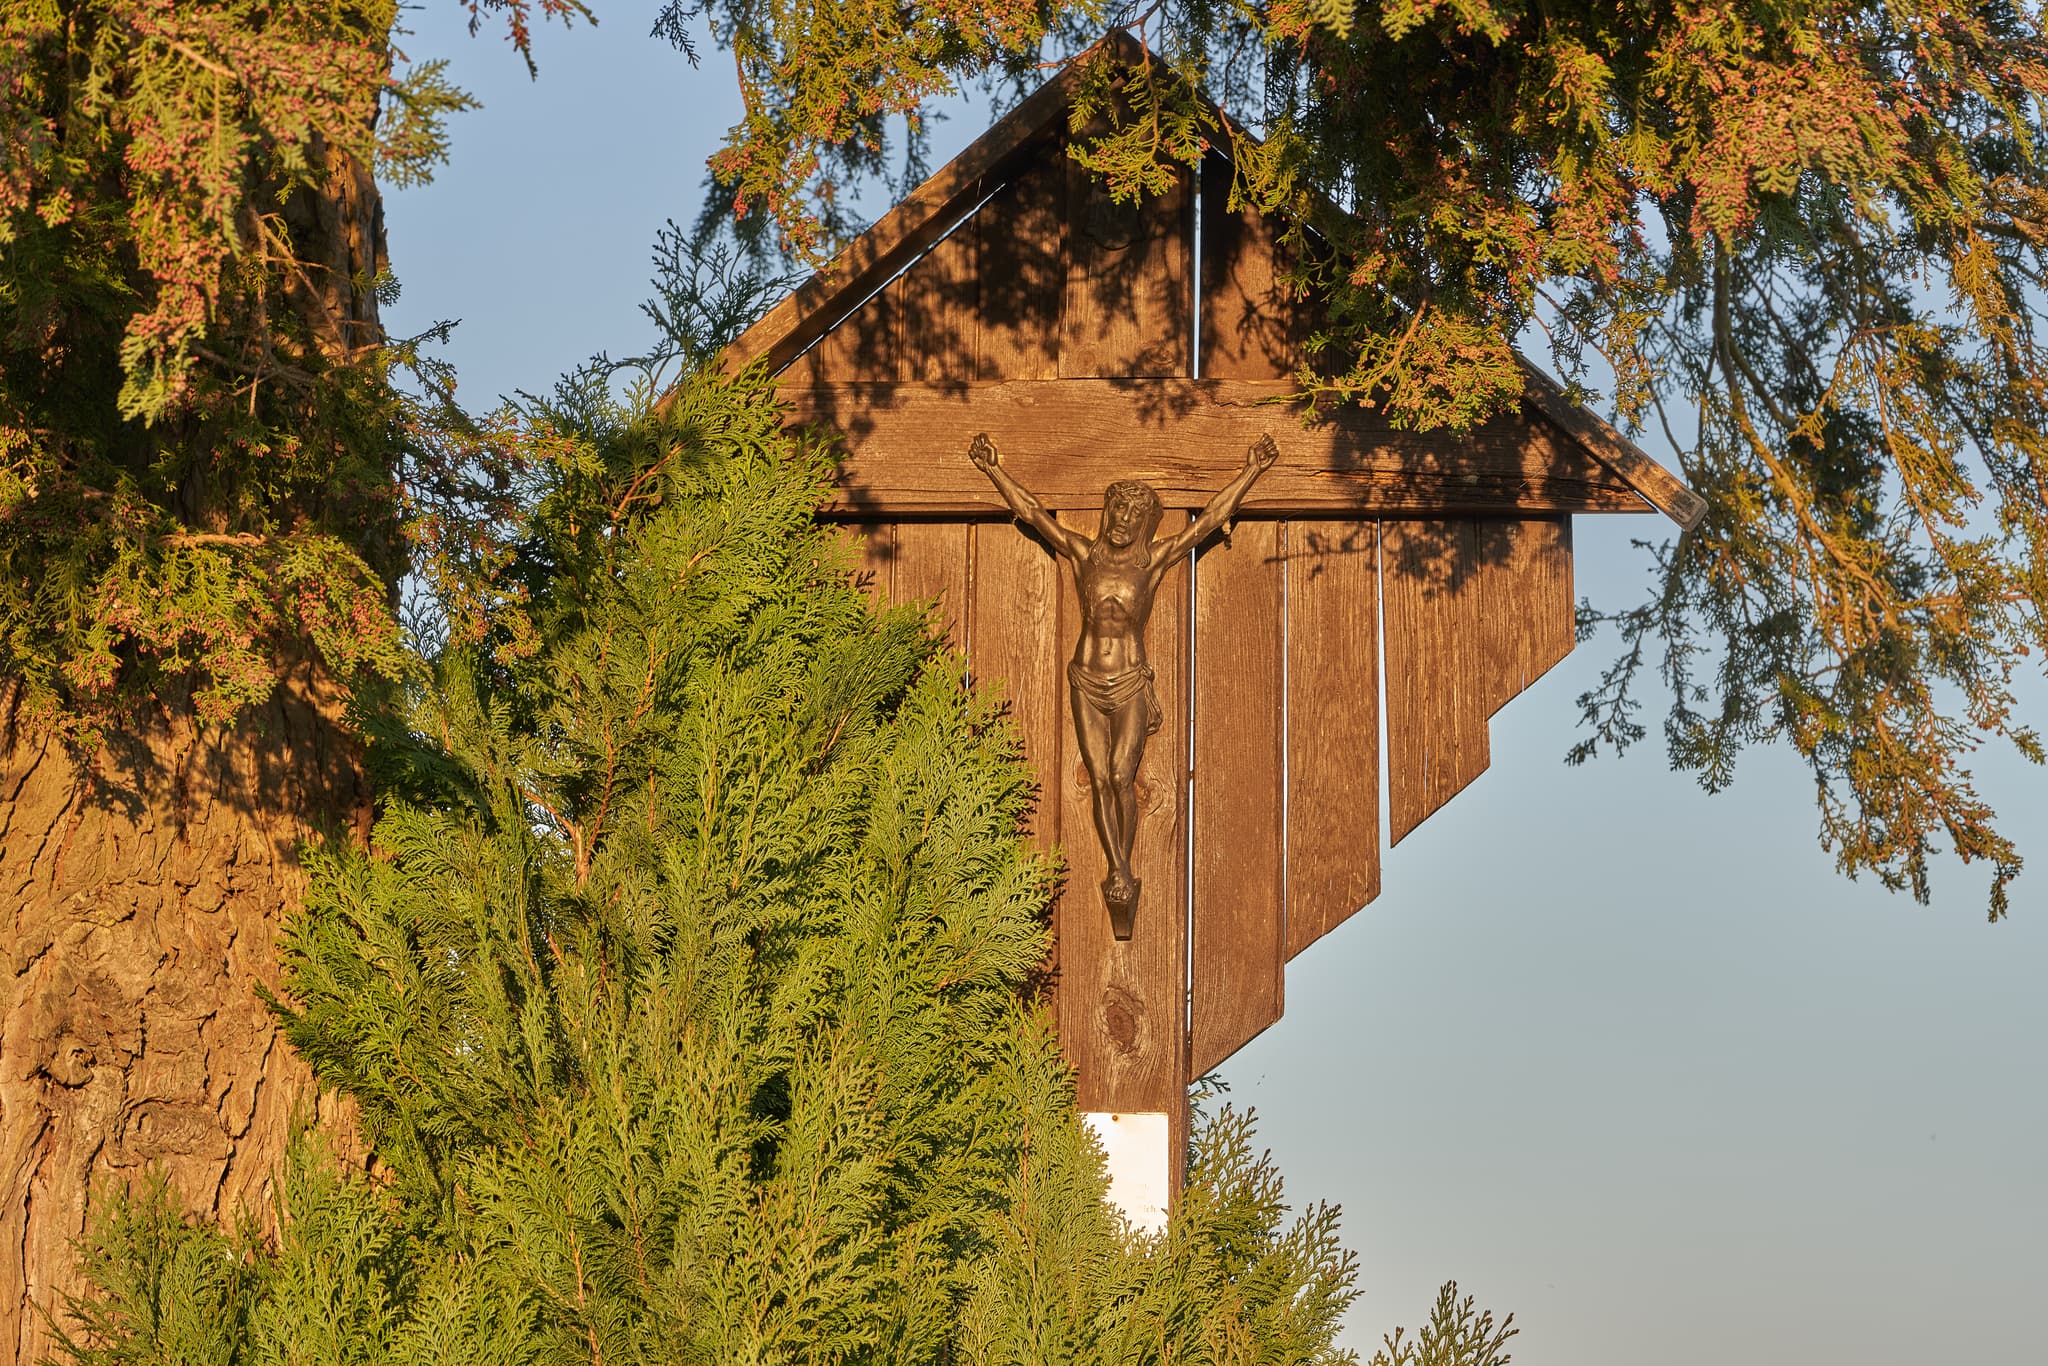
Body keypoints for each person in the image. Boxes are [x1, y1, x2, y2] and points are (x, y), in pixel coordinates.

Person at [967, 430, 1280, 938]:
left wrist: (1252, 470)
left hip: (1131, 681)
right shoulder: (1083, 555)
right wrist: (993, 468)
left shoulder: (1150, 562)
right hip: (1085, 678)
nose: (1121, 521)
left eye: (1133, 516)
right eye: (1116, 511)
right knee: (1097, 777)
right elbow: (1032, 514)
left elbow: (1213, 521)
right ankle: (1119, 871)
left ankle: (1122, 869)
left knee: (1120, 776)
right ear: (1107, 512)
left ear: (1143, 523)